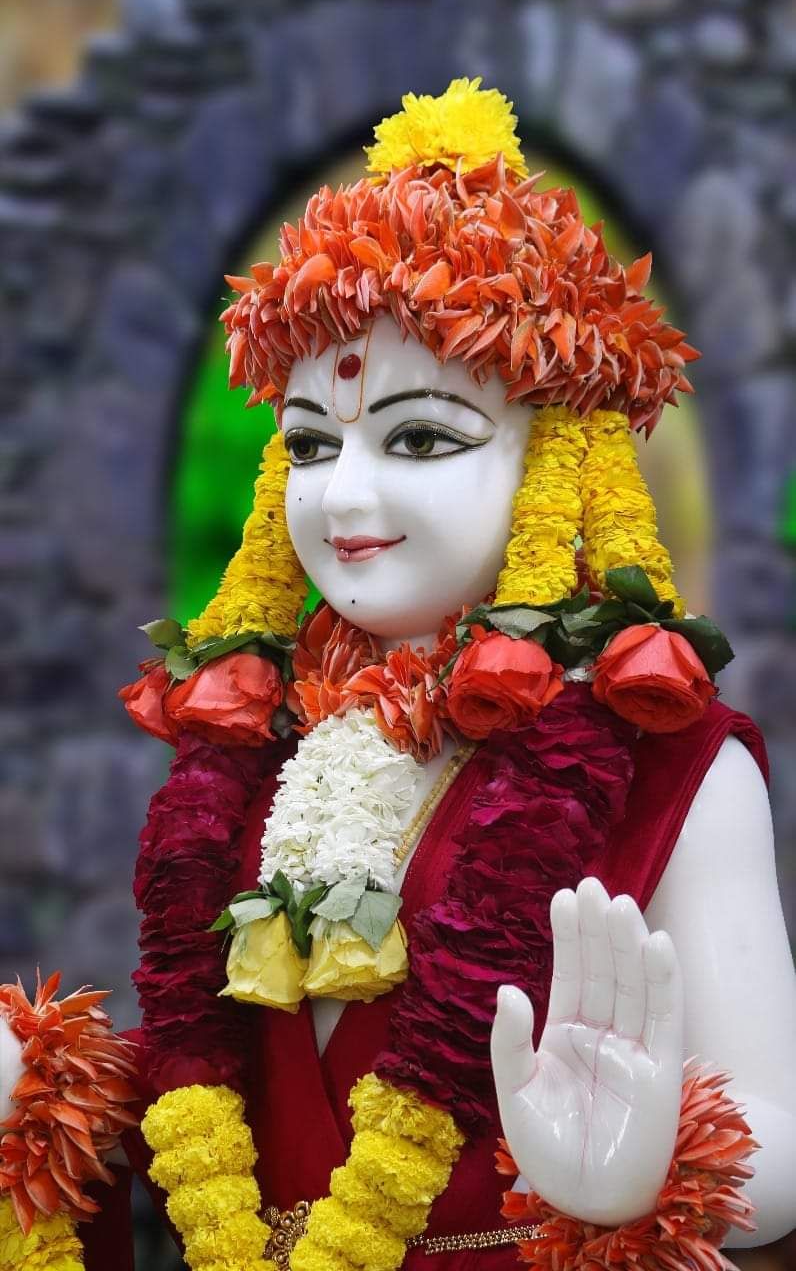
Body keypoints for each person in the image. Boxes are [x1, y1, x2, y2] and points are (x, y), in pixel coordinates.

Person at [1, 78, 794, 1271]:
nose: (344, 495)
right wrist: (39, 1097)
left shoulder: (679, 760)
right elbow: (202, 1102)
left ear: (560, 459)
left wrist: (651, 1165)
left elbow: (776, 1152)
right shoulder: (261, 750)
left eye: (419, 437)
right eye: (313, 443)